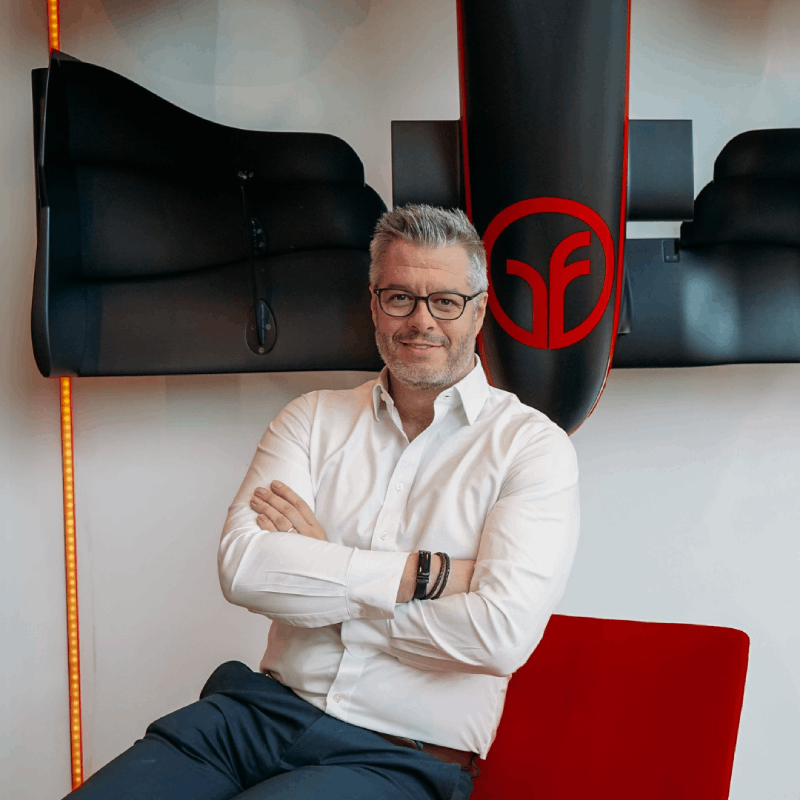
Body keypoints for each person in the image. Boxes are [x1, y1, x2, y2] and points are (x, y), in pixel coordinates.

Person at [64, 205, 579, 800]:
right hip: (254, 715)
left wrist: (325, 575)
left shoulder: (531, 448)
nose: (421, 321)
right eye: (399, 298)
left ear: (479, 309)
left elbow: (499, 636)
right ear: (374, 304)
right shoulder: (310, 419)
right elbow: (244, 569)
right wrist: (422, 575)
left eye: (445, 301)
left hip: (399, 755)